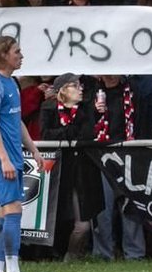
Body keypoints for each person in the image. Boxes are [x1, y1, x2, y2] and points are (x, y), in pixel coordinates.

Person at [0, 36, 45, 272]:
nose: (21, 55)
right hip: (3, 158)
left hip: (13, 157)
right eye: (17, 51)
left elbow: (16, 121)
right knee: (13, 211)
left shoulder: (11, 82)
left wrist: (34, 150)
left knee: (5, 214)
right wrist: (4, 158)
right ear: (4, 55)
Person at [39, 73, 102, 261]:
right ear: (64, 90)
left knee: (83, 223)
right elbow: (46, 135)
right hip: (58, 173)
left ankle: (72, 256)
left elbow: (87, 134)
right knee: (58, 218)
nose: (81, 89)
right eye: (76, 85)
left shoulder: (85, 110)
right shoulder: (49, 108)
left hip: (81, 173)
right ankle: (54, 255)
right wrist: (69, 132)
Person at [89, 74, 143, 261]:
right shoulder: (91, 92)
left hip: (129, 155)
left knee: (131, 206)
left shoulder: (134, 90)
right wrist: (93, 111)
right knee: (103, 208)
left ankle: (134, 254)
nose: (111, 76)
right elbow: (83, 124)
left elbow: (144, 119)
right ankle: (103, 254)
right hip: (100, 157)